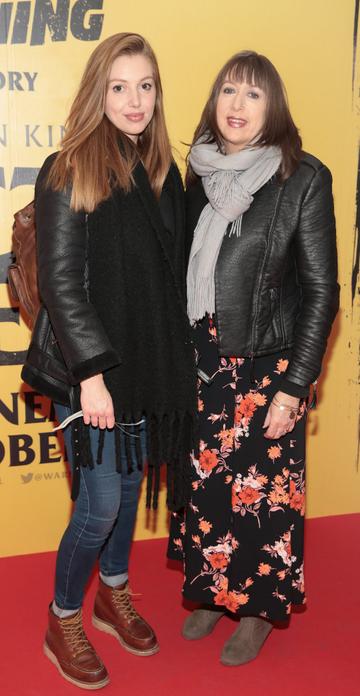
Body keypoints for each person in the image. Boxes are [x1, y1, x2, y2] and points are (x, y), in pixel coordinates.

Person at [22, 32, 197, 689]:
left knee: (126, 497)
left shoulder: (161, 173)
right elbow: (64, 287)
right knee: (97, 506)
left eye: (145, 86)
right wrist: (92, 377)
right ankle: (63, 615)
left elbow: (172, 277)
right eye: (119, 86)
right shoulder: (70, 166)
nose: (134, 100)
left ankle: (111, 592)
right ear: (99, 91)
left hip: (145, 365)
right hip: (86, 369)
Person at [168, 50, 339, 666]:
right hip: (202, 357)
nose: (237, 106)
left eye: (253, 95)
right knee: (210, 484)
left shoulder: (303, 178)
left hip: (267, 366)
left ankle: (262, 608)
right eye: (229, 92)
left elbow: (322, 291)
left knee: (262, 491)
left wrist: (296, 385)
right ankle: (213, 590)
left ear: (275, 107)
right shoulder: (196, 174)